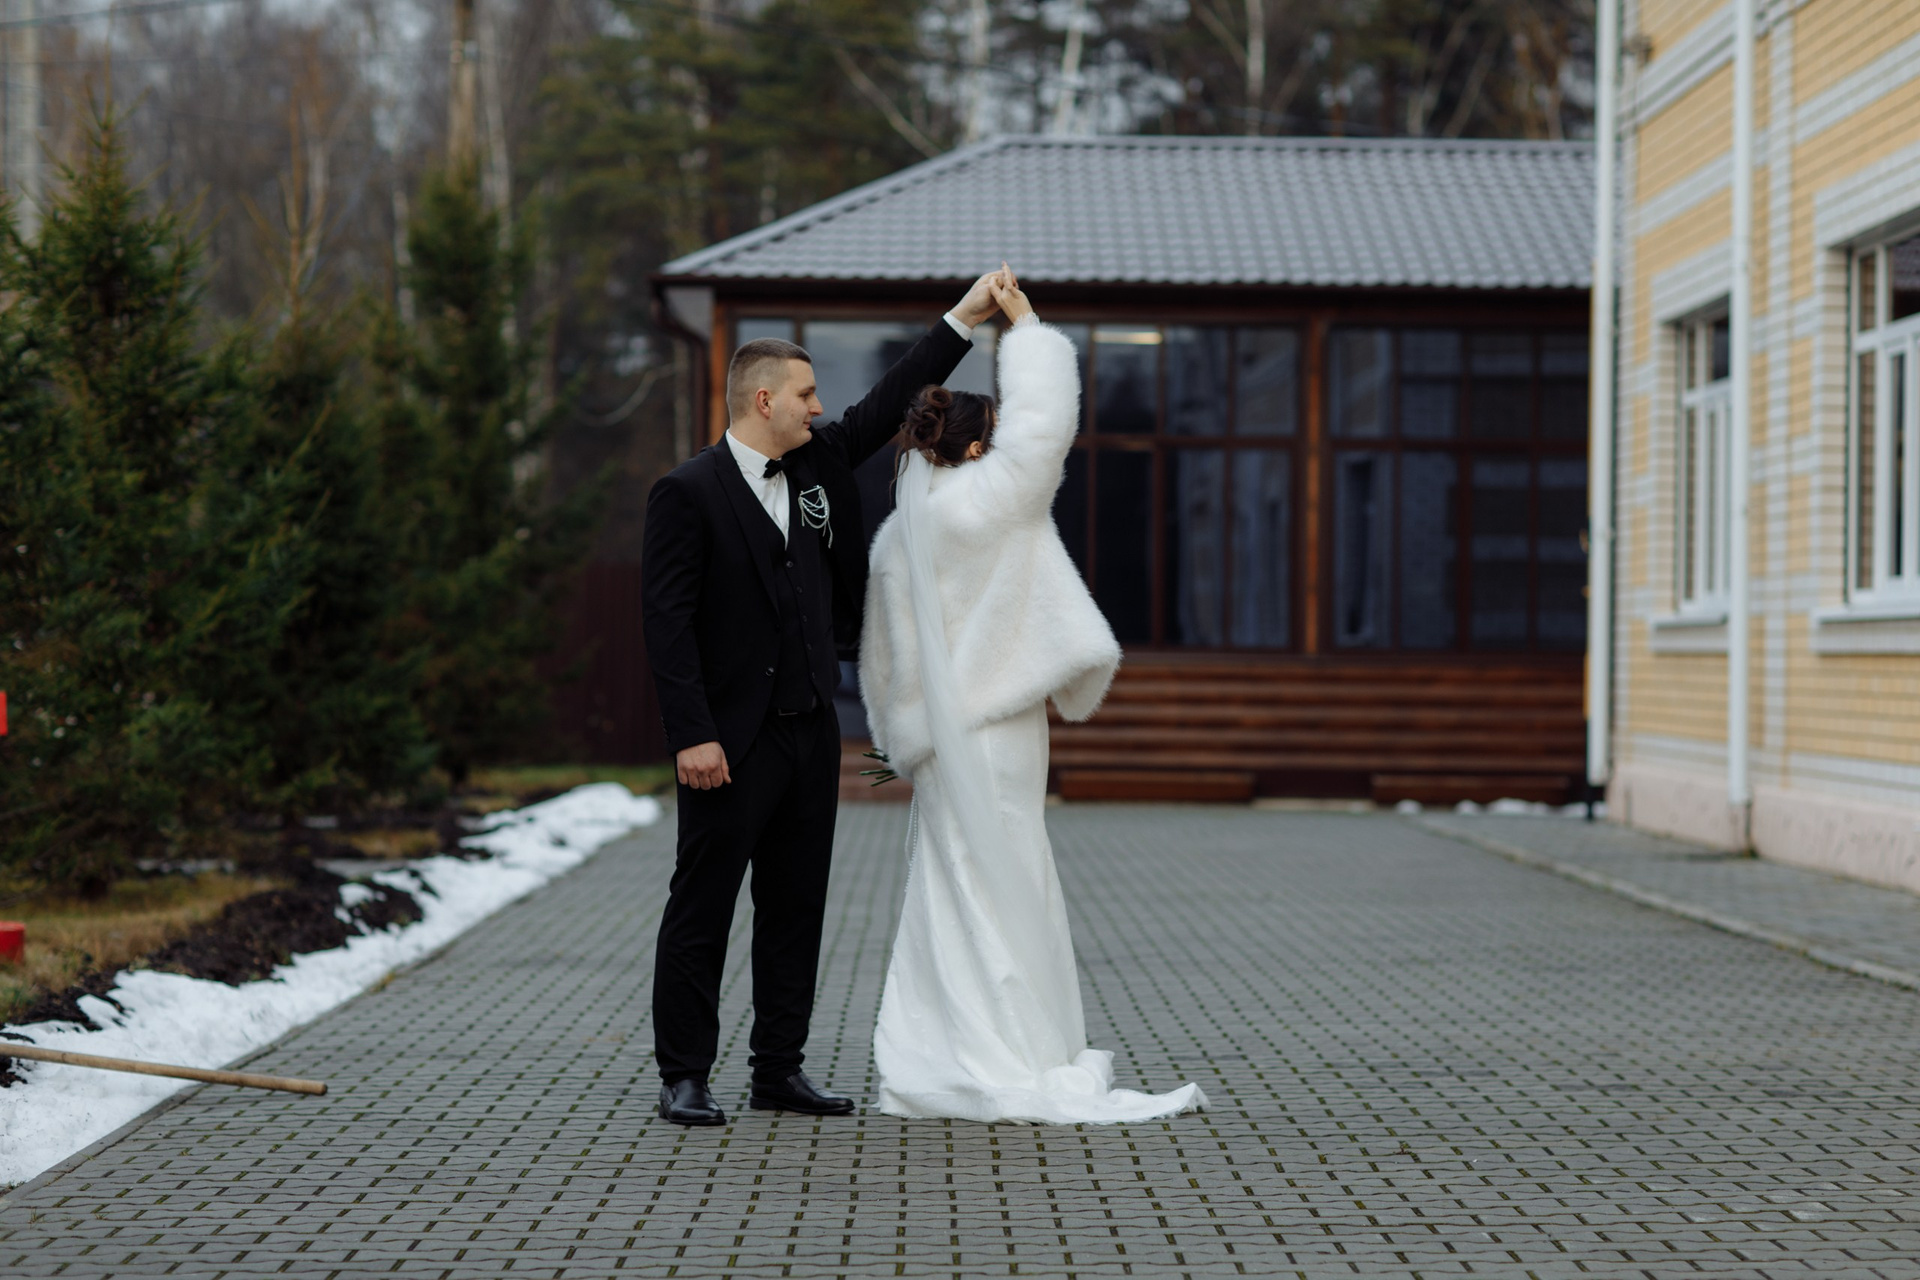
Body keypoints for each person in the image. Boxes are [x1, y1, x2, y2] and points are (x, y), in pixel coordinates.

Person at [641, 268, 1014, 1127]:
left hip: (809, 733)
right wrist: (692, 734)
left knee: (796, 909)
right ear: (763, 399)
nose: (818, 407)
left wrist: (963, 319)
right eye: (805, 395)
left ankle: (779, 1070)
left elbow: (888, 400)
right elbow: (666, 627)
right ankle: (684, 1074)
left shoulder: (817, 466)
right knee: (702, 907)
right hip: (727, 743)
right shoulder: (686, 493)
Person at [860, 279, 1207, 1124]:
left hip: (938, 744)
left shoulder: (896, 540)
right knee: (1013, 879)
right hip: (1001, 727)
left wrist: (901, 739)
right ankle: (1015, 1051)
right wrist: (1024, 326)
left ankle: (942, 1051)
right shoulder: (992, 502)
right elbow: (1047, 421)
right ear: (981, 447)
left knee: (948, 888)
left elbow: (881, 663)